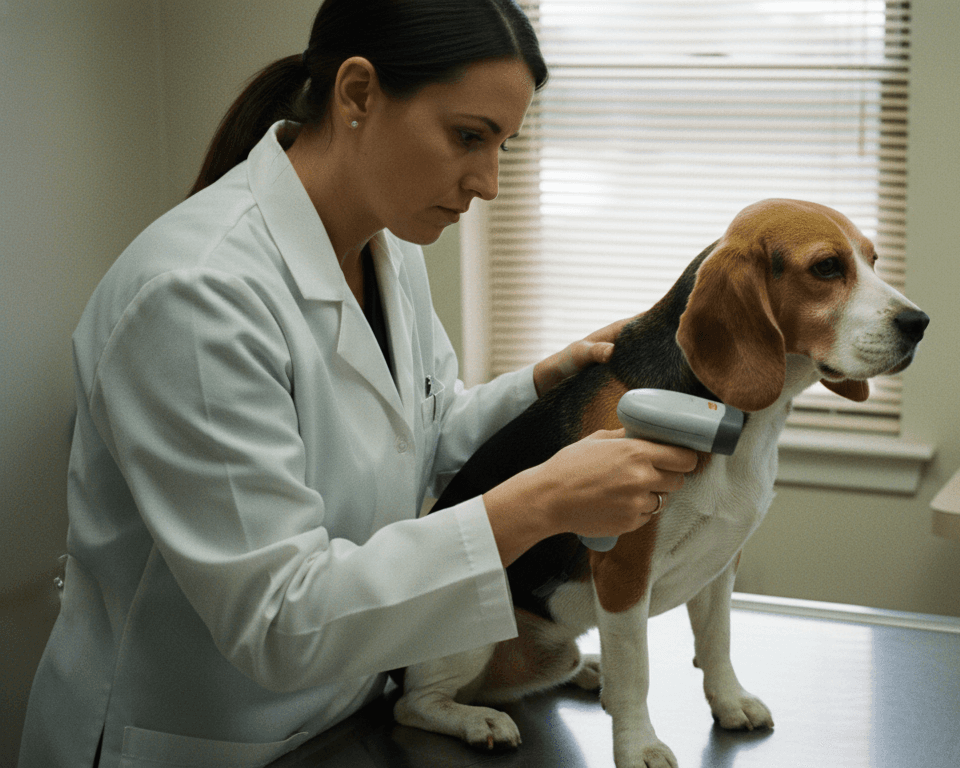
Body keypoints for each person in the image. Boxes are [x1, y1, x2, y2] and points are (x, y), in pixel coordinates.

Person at [18, 2, 697, 766]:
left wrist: (538, 389)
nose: (489, 182)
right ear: (358, 93)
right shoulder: (196, 295)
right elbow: (278, 620)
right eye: (468, 137)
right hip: (201, 740)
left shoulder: (387, 248)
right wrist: (539, 503)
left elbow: (418, 446)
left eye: (503, 145)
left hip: (348, 716)